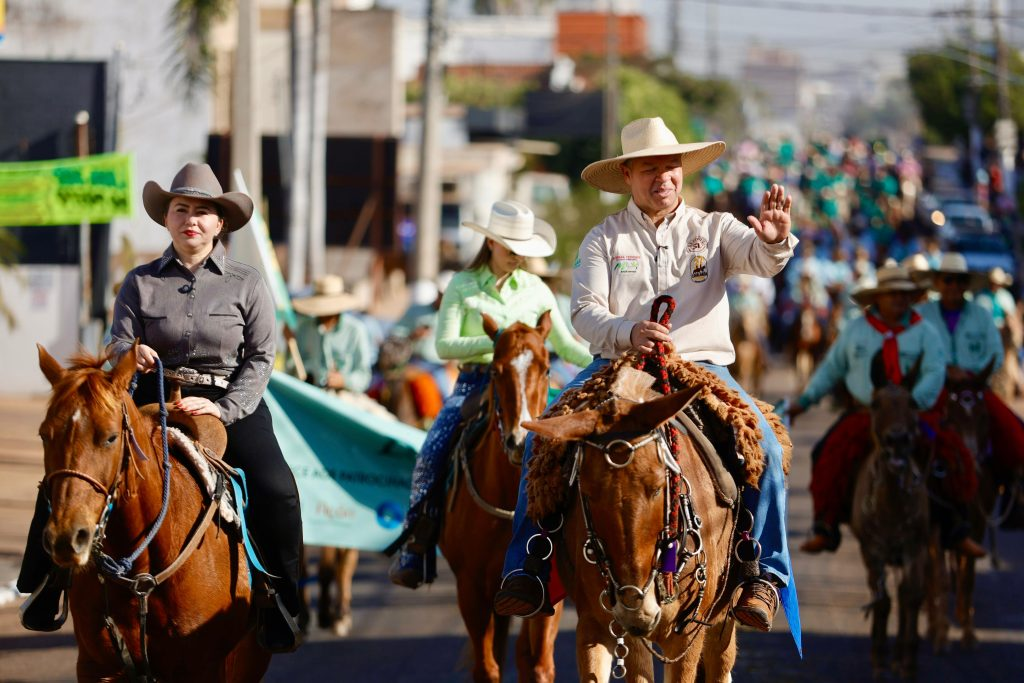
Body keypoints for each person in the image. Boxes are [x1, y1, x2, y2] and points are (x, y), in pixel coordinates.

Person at [495, 116, 800, 634]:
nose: (664, 177)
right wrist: (628, 332)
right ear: (629, 176)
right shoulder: (602, 239)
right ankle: (530, 563)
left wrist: (774, 241)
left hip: (699, 368)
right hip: (619, 368)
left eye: (672, 167)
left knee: (765, 443)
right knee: (542, 439)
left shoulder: (715, 228)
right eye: (651, 169)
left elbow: (761, 260)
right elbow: (586, 313)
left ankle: (762, 572)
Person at [16, 163, 303, 652]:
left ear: (220, 223)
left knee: (278, 489)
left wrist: (225, 408)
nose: (191, 219)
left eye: (203, 212)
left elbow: (260, 357)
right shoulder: (139, 281)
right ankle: (46, 585)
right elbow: (118, 339)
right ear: (168, 219)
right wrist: (132, 352)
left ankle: (282, 598)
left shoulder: (247, 283)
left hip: (228, 401)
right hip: (149, 398)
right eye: (181, 209)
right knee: (72, 469)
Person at [387, 200, 592, 588]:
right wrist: (500, 346)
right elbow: (444, 345)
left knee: (572, 452)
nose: (517, 257)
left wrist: (606, 359)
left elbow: (565, 346)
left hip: (529, 388)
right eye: (511, 249)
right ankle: (415, 544)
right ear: (492, 244)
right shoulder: (462, 286)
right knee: (431, 452)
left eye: (523, 251)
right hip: (476, 383)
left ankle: (580, 538)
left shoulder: (536, 290)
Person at [790, 263, 985, 558]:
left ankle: (956, 526)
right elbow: (832, 368)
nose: (899, 300)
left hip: (914, 413)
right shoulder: (857, 330)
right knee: (826, 453)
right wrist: (804, 401)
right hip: (866, 413)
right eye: (892, 294)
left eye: (904, 294)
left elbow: (934, 372)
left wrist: (912, 403)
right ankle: (826, 524)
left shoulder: (924, 332)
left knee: (952, 453)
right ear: (878, 297)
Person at [290, 275, 374, 638]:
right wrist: (298, 367)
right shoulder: (302, 332)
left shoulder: (355, 331)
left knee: (379, 435)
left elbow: (363, 374)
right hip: (311, 402)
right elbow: (294, 371)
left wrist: (345, 381)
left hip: (345, 402)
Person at [918, 254, 1024, 509]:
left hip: (974, 388)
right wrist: (942, 371)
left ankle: (1011, 494)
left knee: (1016, 435)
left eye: (960, 280)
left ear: (966, 284)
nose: (954, 286)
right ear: (938, 283)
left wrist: (970, 373)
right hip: (935, 388)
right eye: (948, 280)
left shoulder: (982, 315)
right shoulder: (921, 315)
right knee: (908, 435)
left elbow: (996, 353)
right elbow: (911, 352)